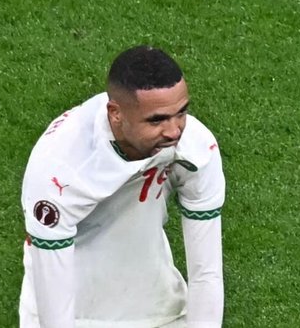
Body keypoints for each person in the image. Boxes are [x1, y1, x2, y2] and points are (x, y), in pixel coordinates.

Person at [20, 45, 225, 328]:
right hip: (77, 314)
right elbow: (54, 297)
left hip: (160, 310)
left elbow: (207, 272)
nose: (174, 130)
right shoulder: (60, 169)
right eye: (157, 120)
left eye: (181, 112)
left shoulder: (196, 146)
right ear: (115, 113)